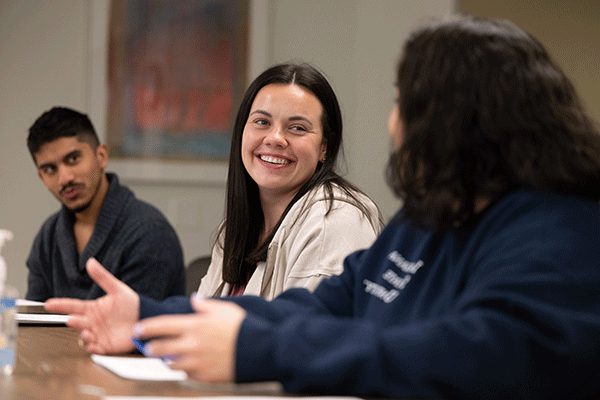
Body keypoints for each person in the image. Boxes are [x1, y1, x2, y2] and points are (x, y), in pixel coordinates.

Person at [46, 15, 600, 399]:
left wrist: (257, 348)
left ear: (458, 122)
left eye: (404, 103)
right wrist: (149, 318)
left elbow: (476, 355)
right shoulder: (429, 217)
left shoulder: (559, 228)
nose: (393, 123)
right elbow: (322, 307)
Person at [198, 62, 382, 299]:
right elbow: (198, 319)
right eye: (262, 122)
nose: (275, 139)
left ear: (324, 147)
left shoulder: (334, 223)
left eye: (297, 128)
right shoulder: (238, 227)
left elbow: (307, 333)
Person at [26, 107, 185, 301]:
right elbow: (32, 324)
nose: (64, 178)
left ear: (101, 156)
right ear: (41, 177)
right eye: (50, 169)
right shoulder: (48, 236)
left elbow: (132, 326)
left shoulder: (150, 232)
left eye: (73, 159)